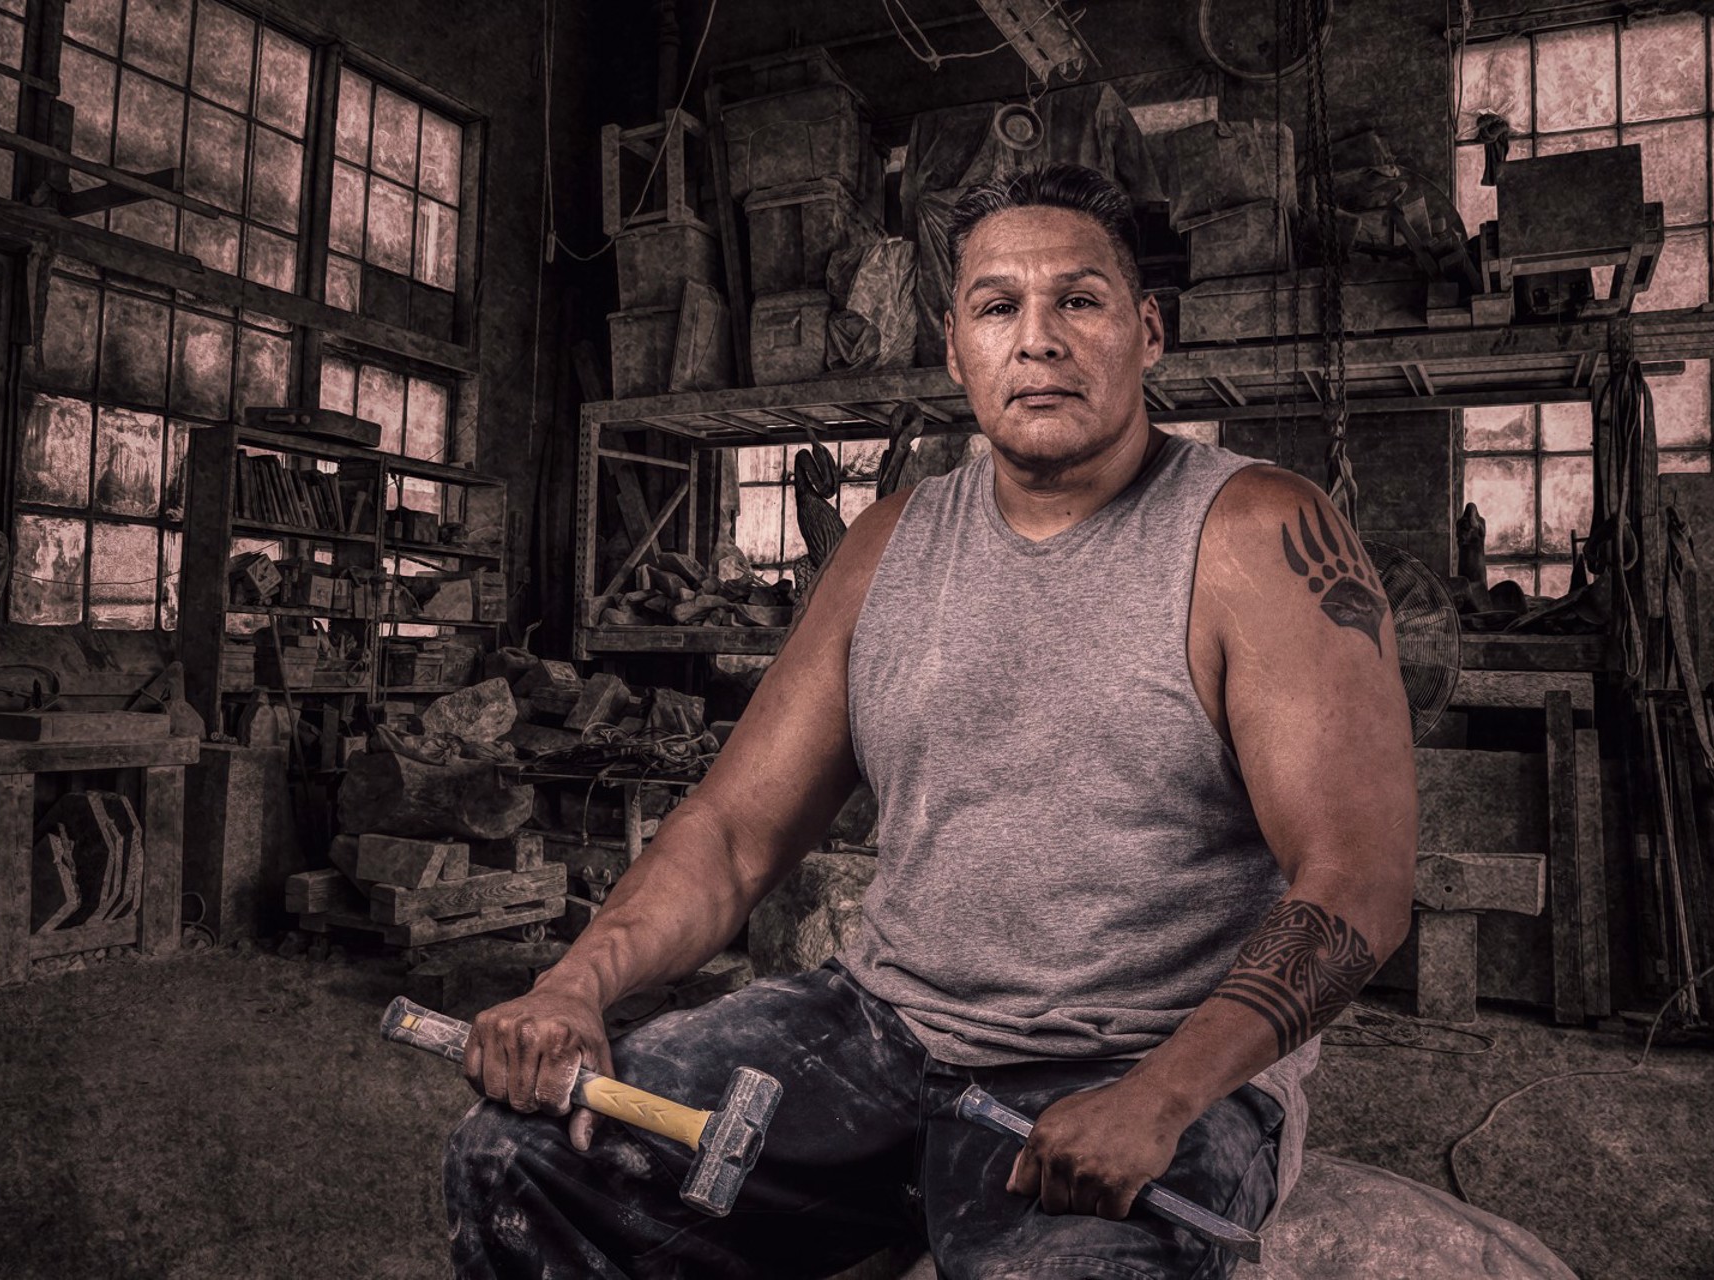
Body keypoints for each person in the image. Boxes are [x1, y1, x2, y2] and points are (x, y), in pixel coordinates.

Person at [443, 162, 1418, 1278]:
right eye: (997, 306)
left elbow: (1356, 877)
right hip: (881, 1033)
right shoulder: (888, 545)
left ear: (1148, 331)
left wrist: (1160, 1094)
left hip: (1134, 1063)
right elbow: (732, 828)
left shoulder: (1256, 533)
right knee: (512, 1155)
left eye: (1079, 300)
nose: (1037, 339)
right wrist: (573, 984)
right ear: (954, 348)